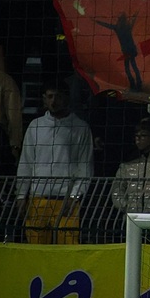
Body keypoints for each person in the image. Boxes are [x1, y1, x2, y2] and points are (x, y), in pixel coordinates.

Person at [15, 84, 94, 244]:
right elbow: (26, 162)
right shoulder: (35, 126)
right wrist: (22, 194)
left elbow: (85, 165)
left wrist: (74, 196)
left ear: (66, 98)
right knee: (36, 251)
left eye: (57, 96)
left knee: (67, 251)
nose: (54, 101)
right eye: (50, 96)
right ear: (44, 99)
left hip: (66, 200)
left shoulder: (80, 128)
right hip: (38, 199)